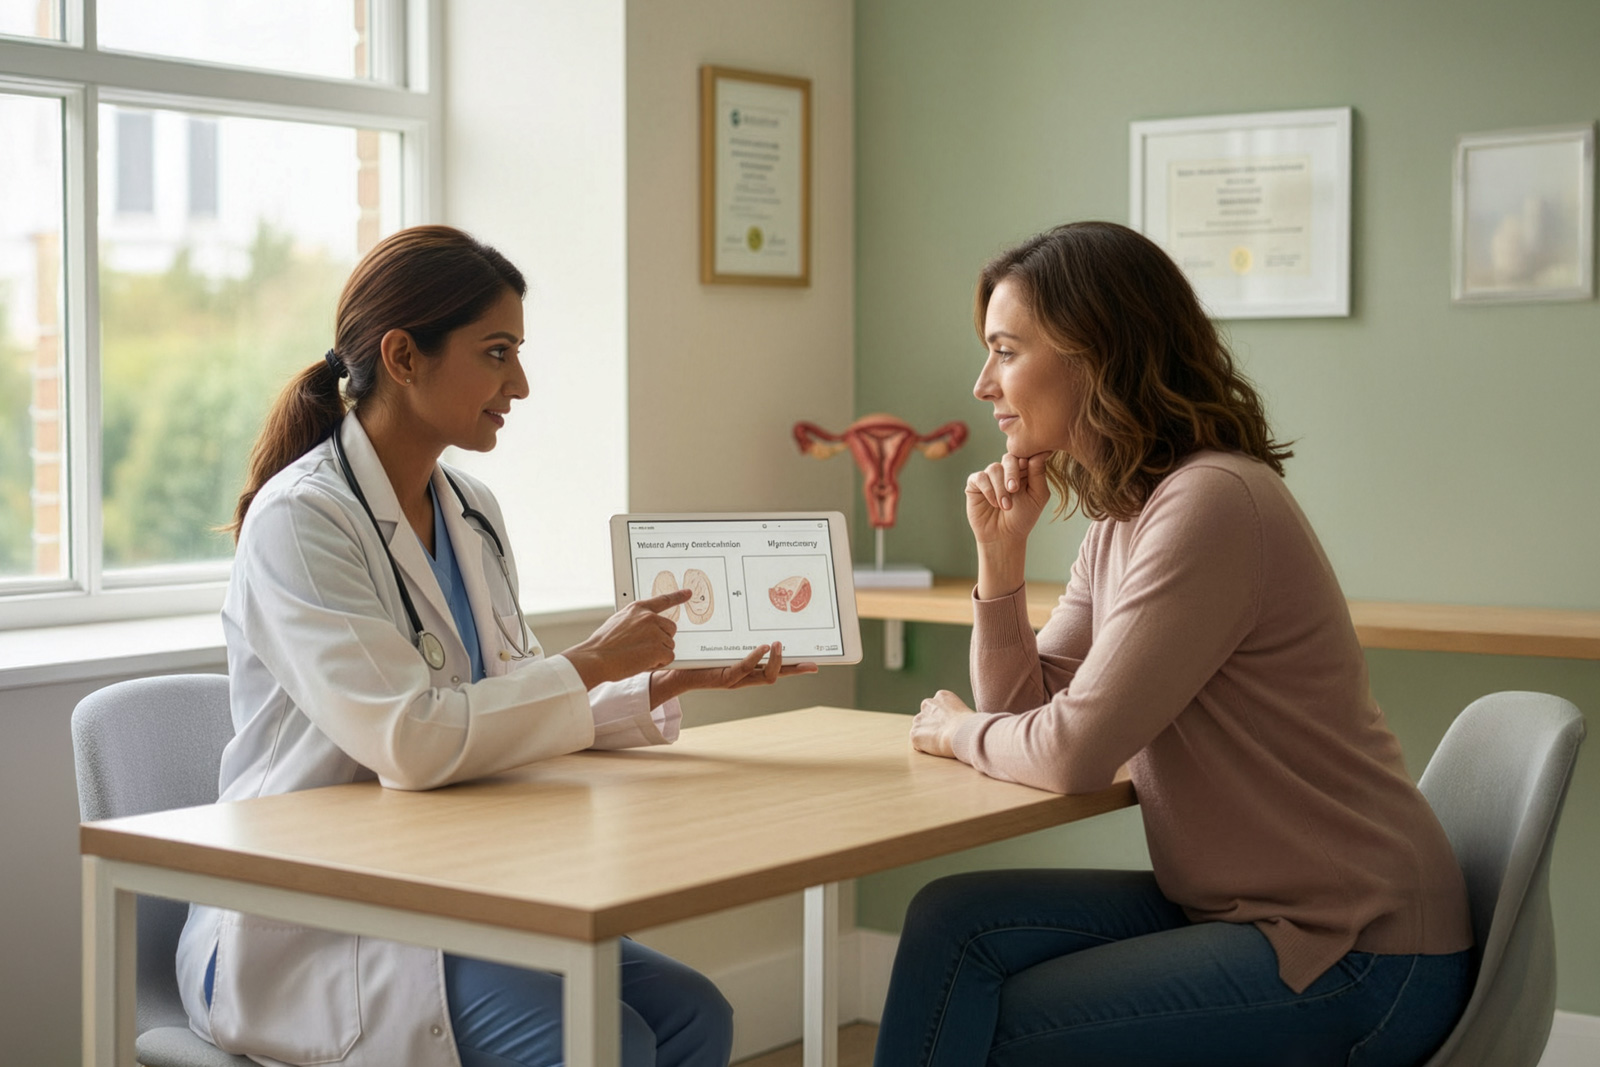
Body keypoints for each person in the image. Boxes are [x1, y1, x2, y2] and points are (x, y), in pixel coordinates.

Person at [176, 225, 815, 1067]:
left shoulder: (468, 509)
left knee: (697, 1014)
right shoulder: (301, 520)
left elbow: (500, 706)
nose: (519, 382)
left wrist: (656, 679)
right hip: (326, 921)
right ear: (404, 357)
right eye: (496, 352)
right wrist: (590, 660)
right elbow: (412, 739)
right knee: (610, 1042)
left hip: (464, 884)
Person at [874, 222, 1473, 1067]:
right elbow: (1024, 715)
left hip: (1360, 949)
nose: (983, 383)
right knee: (952, 922)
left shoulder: (1212, 503)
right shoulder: (1127, 518)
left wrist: (950, 729)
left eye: (1006, 351)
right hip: (1244, 910)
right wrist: (999, 560)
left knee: (1011, 1021)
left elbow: (1071, 751)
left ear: (1095, 352)